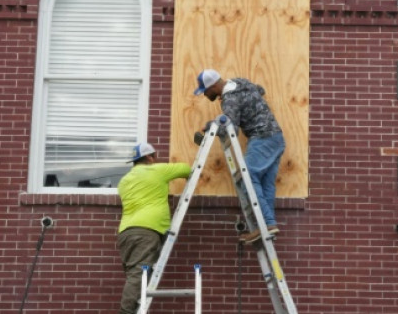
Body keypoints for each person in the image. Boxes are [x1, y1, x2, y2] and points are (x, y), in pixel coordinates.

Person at [194, 68, 285, 242]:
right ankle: (269, 224)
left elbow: (231, 128)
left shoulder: (230, 98)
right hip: (276, 139)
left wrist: (210, 125)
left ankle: (265, 224)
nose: (205, 95)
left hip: (262, 138)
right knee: (265, 185)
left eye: (205, 91)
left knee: (247, 176)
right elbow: (260, 90)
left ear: (213, 86)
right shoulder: (242, 83)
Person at [116, 142, 192, 314]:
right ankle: (126, 312)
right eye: (154, 156)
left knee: (133, 275)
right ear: (150, 157)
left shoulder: (124, 181)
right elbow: (186, 169)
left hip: (126, 232)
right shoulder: (157, 170)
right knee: (137, 276)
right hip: (147, 230)